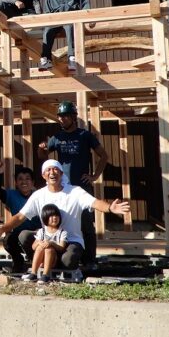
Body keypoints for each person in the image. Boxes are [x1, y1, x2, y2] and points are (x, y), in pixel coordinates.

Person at [0, 160, 129, 272]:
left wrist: (110, 207)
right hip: (47, 241)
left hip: (71, 240)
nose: (52, 172)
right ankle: (42, 260)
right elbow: (20, 217)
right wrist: (1, 230)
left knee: (68, 261)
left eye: (55, 169)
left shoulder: (75, 192)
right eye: (48, 170)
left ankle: (51, 262)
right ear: (44, 176)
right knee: (24, 236)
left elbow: (95, 203)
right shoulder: (38, 195)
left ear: (61, 174)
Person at [38, 100, 110, 265]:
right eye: (60, 117)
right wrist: (41, 148)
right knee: (62, 220)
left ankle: (89, 260)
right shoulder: (57, 137)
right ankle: (65, 256)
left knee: (86, 223)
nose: (61, 120)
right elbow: (42, 157)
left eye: (65, 117)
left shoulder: (85, 136)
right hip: (63, 188)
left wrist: (94, 176)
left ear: (73, 117)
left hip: (82, 186)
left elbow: (104, 156)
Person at [39, 0, 89, 72]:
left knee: (70, 28)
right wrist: (48, 21)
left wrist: (90, 19)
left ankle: (72, 58)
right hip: (55, 20)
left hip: (70, 19)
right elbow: (47, 8)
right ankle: (45, 59)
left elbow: (85, 4)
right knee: (47, 31)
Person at [0, 160, 40, 274]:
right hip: (19, 232)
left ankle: (35, 261)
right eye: (20, 179)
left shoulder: (39, 195)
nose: (24, 182)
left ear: (33, 182)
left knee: (27, 238)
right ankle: (19, 263)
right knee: (8, 240)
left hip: (37, 232)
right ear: (16, 183)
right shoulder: (12, 195)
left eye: (27, 179)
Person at [24, 203, 68, 284]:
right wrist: (39, 243)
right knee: (39, 247)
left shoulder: (62, 232)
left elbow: (62, 247)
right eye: (51, 216)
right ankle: (33, 273)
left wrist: (51, 243)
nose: (54, 218)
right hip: (41, 260)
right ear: (45, 218)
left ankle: (46, 275)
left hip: (54, 260)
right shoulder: (42, 231)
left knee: (49, 249)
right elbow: (33, 247)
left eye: (56, 216)